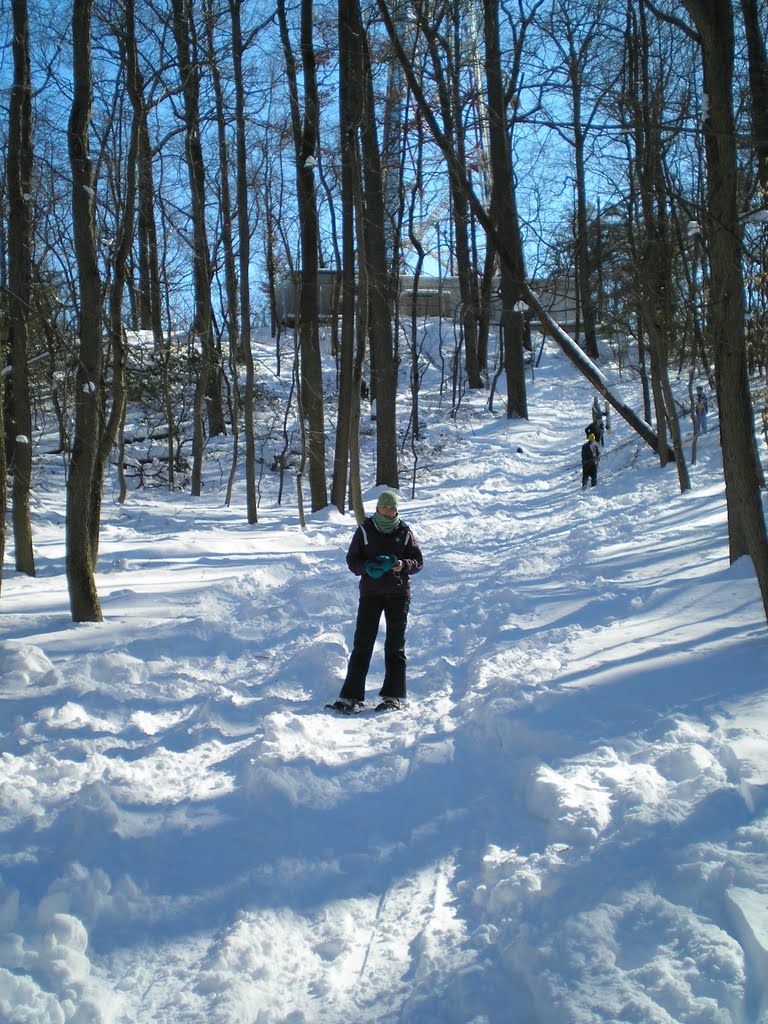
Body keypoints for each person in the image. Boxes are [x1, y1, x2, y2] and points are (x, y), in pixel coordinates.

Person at [328, 491, 423, 714]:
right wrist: (366, 568)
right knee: (362, 644)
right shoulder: (364, 530)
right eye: (384, 507)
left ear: (396, 510)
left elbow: (418, 562)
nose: (387, 511)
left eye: (391, 508)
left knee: (395, 645)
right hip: (370, 594)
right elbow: (352, 560)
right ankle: (351, 697)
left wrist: (402, 564)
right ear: (378, 508)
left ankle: (394, 696)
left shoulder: (405, 532)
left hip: (398, 594)